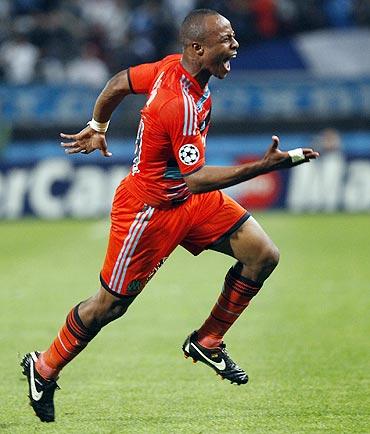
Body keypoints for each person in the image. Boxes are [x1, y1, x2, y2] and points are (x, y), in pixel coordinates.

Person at [21, 9, 319, 423]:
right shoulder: (177, 101)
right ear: (198, 48)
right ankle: (44, 367)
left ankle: (208, 341)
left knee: (262, 255)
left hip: (186, 200)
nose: (235, 46)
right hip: (149, 211)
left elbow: (117, 83)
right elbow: (197, 179)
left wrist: (97, 124)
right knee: (108, 306)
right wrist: (263, 166)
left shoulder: (171, 70)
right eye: (227, 39)